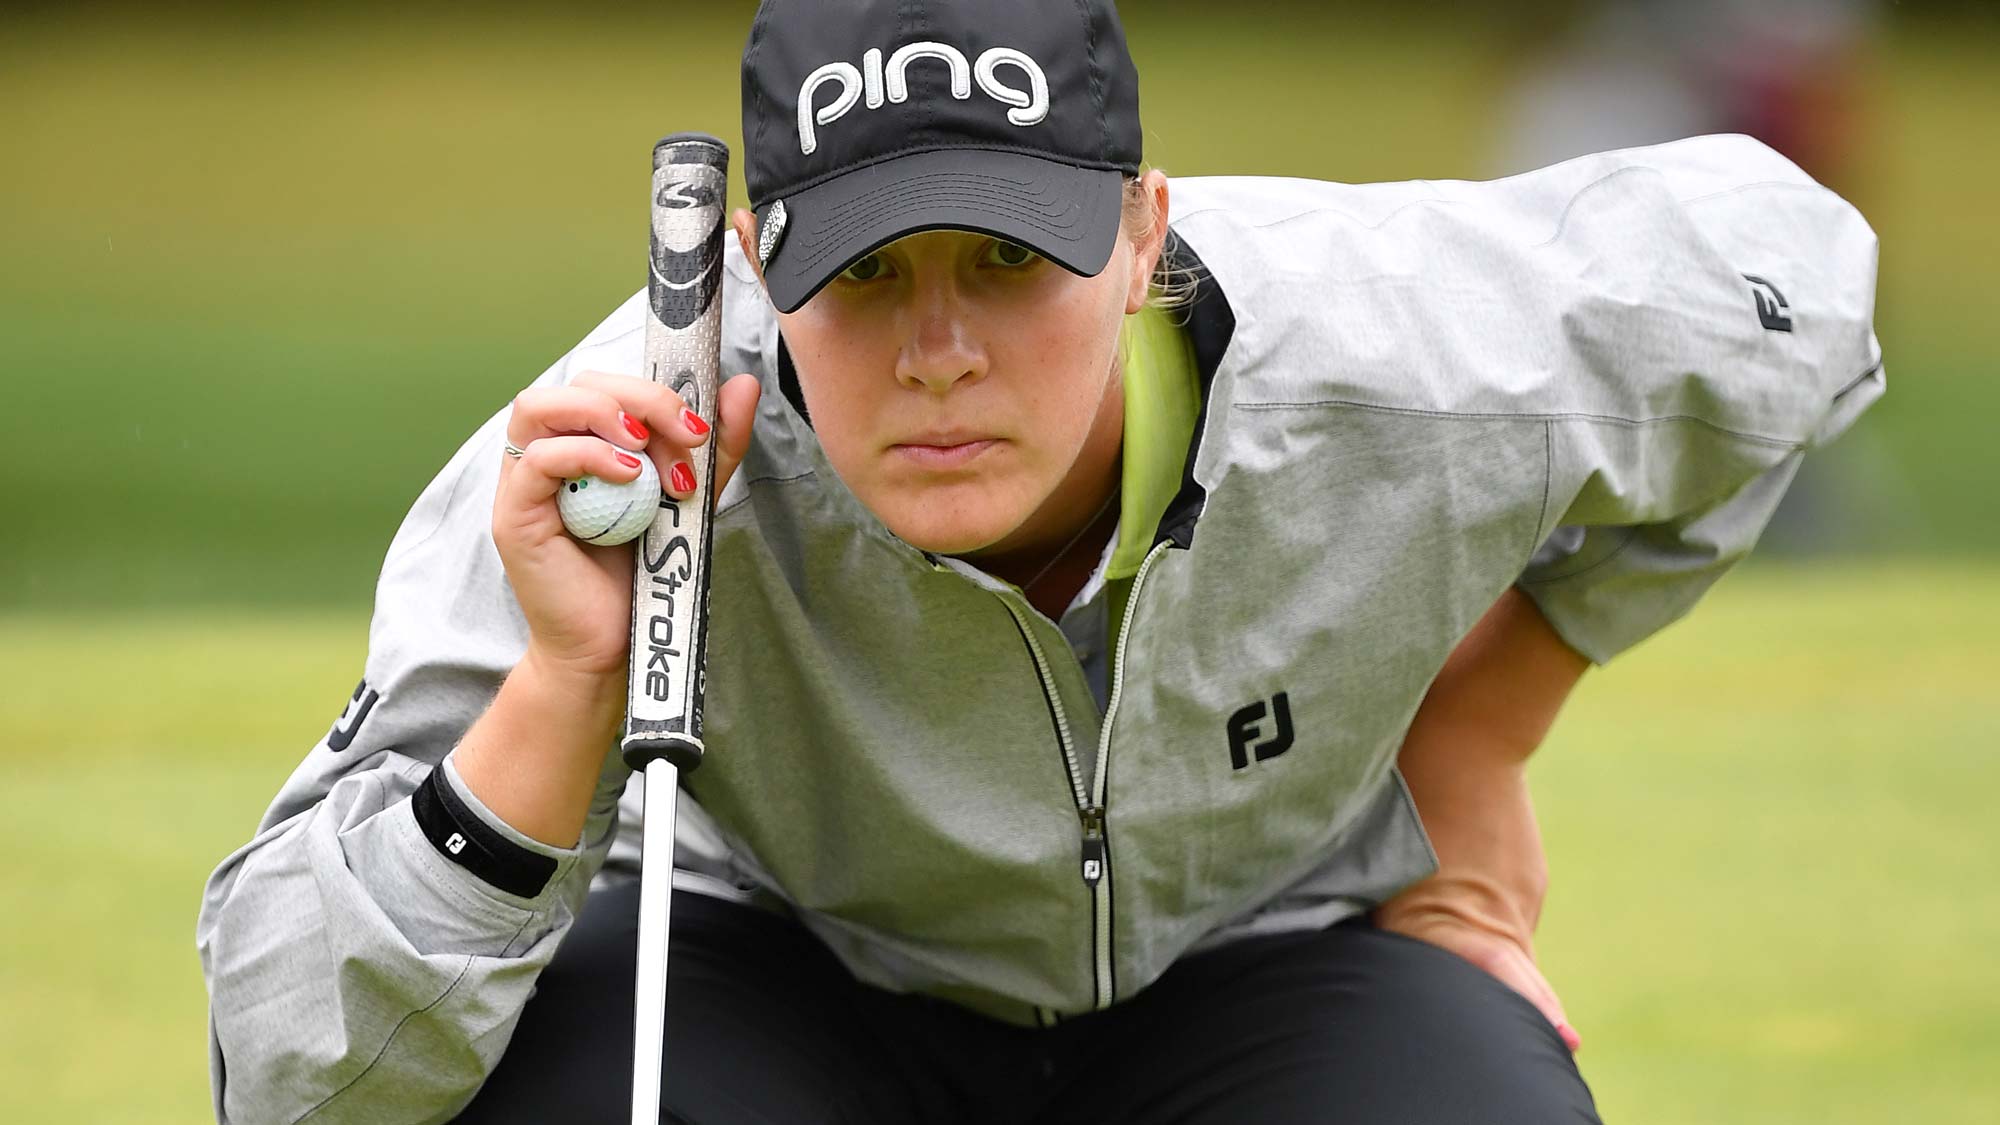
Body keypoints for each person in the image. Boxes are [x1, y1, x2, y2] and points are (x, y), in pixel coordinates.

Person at [195, 1, 1884, 1122]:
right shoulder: (622, 456)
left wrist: (1490, 726)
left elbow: (1796, 294)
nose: (939, 350)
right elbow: (287, 1069)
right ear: (764, 267)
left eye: (1008, 257)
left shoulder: (1405, 344)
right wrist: (566, 688)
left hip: (1264, 952)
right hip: (781, 968)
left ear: (1144, 228)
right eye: (866, 275)